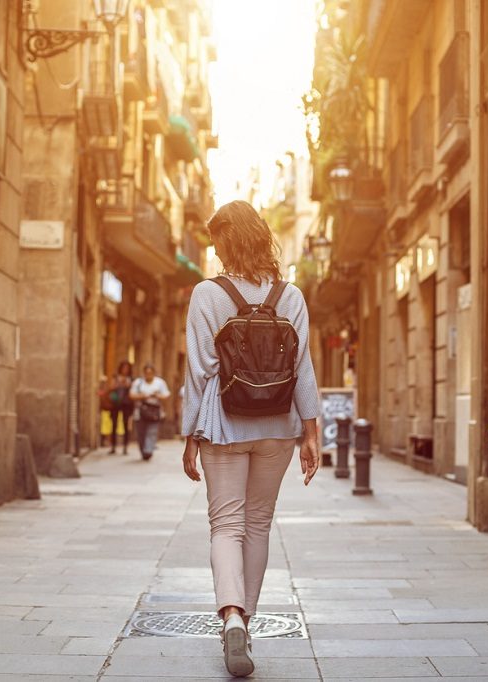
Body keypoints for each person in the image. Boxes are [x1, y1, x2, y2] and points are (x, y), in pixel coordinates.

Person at [181, 200, 321, 678]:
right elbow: (303, 368)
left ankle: (232, 617)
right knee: (258, 525)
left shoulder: (207, 294)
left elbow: (199, 371)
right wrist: (311, 431)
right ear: (262, 237)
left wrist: (188, 434)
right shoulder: (291, 296)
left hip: (223, 423)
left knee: (226, 525)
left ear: (225, 242)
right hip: (278, 427)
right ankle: (246, 623)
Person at [129, 363, 171, 461]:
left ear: (153, 373)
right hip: (140, 412)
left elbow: (166, 395)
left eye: (150, 373)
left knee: (152, 431)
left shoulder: (160, 382)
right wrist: (142, 396)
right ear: (144, 373)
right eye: (146, 373)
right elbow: (131, 395)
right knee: (141, 433)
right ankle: (143, 450)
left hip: (154, 411)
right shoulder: (138, 382)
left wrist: (157, 396)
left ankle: (148, 450)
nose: (148, 375)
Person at [107, 361, 133, 455]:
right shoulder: (116, 377)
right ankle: (113, 446)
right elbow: (110, 388)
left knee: (126, 424)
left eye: (127, 368)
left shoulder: (131, 379)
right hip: (115, 404)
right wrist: (117, 384)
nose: (125, 370)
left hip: (126, 404)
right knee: (114, 424)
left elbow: (133, 390)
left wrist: (127, 385)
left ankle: (125, 446)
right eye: (123, 368)